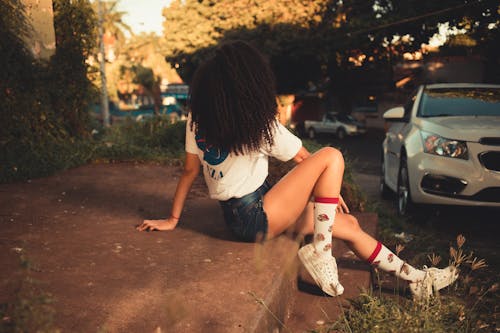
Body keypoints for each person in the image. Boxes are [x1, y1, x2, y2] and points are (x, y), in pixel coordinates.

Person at [136, 41, 458, 300]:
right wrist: (330, 193)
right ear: (250, 84)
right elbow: (308, 159)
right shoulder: (259, 125)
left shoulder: (197, 119)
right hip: (258, 215)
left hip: (241, 216)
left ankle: (416, 278)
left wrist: (173, 219)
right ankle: (321, 252)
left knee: (348, 224)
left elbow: (189, 171)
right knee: (332, 155)